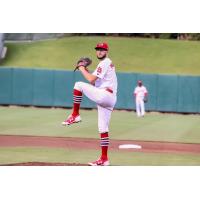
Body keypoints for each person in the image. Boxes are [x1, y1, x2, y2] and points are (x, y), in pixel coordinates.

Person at [62, 42, 117, 166]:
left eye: (102, 49)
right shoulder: (105, 64)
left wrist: (81, 67)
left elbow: (90, 79)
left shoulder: (105, 62)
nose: (99, 51)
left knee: (78, 85)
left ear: (106, 51)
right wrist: (85, 69)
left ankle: (75, 115)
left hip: (105, 95)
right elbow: (94, 82)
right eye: (98, 49)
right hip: (108, 98)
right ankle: (104, 159)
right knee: (103, 128)